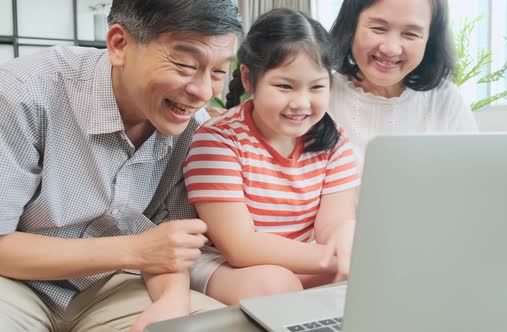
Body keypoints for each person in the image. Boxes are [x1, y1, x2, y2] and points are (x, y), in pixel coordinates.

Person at [0, 0, 242, 331]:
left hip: (110, 287)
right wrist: (135, 249)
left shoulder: (195, 130)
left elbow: (170, 247)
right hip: (13, 282)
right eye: (185, 65)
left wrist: (173, 300)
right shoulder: (22, 93)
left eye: (217, 72)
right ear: (120, 44)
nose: (202, 92)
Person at [182, 8, 361, 305]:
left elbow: (335, 223)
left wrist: (345, 239)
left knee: (366, 277)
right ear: (249, 79)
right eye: (284, 86)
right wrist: (333, 258)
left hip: (302, 261)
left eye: (316, 87)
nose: (301, 103)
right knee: (276, 284)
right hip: (226, 262)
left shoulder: (334, 141)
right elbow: (240, 246)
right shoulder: (218, 140)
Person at [329, 0, 478, 169]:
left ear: (430, 40)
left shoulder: (445, 99)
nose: (391, 49)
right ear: (351, 26)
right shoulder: (320, 96)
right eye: (378, 28)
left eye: (411, 34)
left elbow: (472, 177)